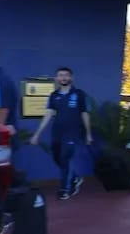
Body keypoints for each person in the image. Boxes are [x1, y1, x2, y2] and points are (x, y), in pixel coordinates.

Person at [29, 67, 92, 199]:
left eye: (66, 75)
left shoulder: (79, 94)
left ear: (71, 78)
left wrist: (88, 133)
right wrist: (37, 134)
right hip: (57, 132)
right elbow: (48, 114)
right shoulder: (54, 95)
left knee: (65, 158)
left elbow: (85, 113)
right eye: (60, 75)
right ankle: (75, 178)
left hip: (73, 132)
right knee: (57, 157)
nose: (63, 78)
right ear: (56, 79)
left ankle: (65, 189)